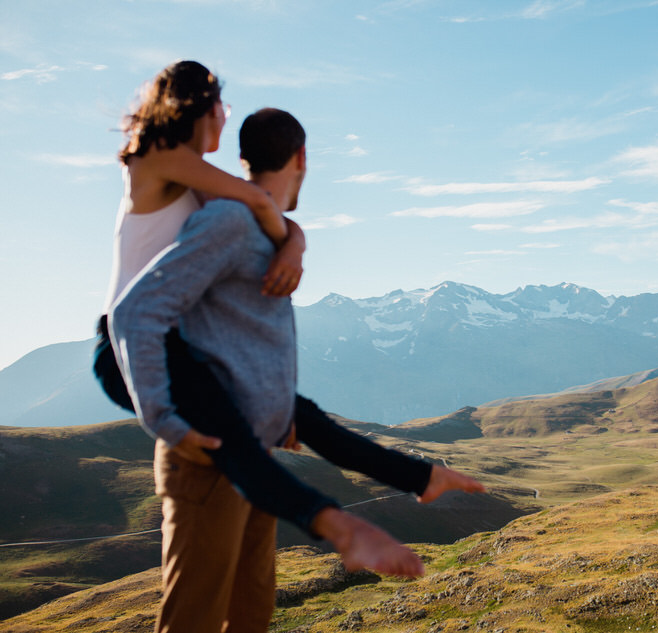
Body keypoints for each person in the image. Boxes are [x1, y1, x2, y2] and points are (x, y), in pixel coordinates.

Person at [110, 107, 482, 633]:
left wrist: (294, 241)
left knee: (252, 612)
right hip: (208, 458)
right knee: (193, 618)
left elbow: (235, 343)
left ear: (244, 159)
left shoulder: (266, 229)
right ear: (302, 157)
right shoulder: (230, 222)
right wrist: (165, 421)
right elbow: (132, 312)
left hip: (254, 453)